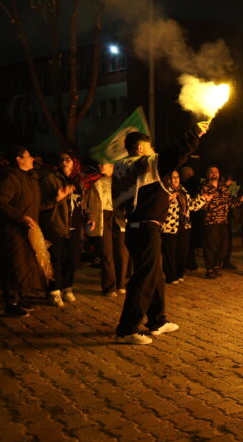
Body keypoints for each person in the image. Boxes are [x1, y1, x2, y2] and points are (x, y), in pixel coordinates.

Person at [111, 122, 208, 344]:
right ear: (139, 148)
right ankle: (127, 328)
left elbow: (146, 192)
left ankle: (157, 321)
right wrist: (194, 134)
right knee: (144, 278)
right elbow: (172, 156)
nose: (153, 151)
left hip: (139, 228)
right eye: (149, 147)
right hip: (145, 229)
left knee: (155, 275)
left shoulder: (122, 167)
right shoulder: (139, 164)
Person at [0, 146, 44, 317]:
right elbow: (0, 203)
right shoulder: (10, 178)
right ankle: (11, 302)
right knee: (15, 265)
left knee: (25, 265)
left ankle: (21, 297)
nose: (32, 159)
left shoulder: (30, 178)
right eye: (29, 156)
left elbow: (35, 205)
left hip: (28, 230)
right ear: (19, 160)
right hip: (14, 230)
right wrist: (21, 217)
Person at [39, 151, 83, 307]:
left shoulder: (78, 180)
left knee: (72, 259)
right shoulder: (50, 178)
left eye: (67, 159)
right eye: (61, 159)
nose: (63, 162)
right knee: (55, 259)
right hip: (56, 224)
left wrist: (88, 216)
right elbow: (40, 204)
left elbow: (80, 202)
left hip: (74, 226)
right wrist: (56, 198)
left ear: (74, 162)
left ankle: (67, 287)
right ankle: (54, 291)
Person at [84, 162, 129, 297]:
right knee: (106, 253)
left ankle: (121, 283)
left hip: (119, 217)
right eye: (99, 164)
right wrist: (91, 217)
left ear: (111, 165)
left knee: (122, 252)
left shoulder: (122, 181)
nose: (99, 166)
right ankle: (109, 287)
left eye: (103, 163)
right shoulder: (96, 183)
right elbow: (91, 202)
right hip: (102, 216)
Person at [161, 170, 211, 284]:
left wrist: (203, 199)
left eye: (177, 177)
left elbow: (191, 206)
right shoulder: (164, 191)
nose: (175, 179)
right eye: (173, 177)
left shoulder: (183, 191)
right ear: (168, 179)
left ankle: (179, 274)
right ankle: (171, 276)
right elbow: (160, 207)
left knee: (182, 252)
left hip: (184, 225)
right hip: (170, 227)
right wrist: (168, 200)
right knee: (169, 253)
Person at [199, 166, 239, 279]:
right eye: (211, 172)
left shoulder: (223, 188)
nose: (214, 173)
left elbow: (231, 202)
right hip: (211, 221)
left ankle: (216, 265)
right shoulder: (204, 188)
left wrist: (241, 199)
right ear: (207, 175)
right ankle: (209, 269)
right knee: (210, 246)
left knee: (223, 247)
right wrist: (206, 200)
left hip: (223, 222)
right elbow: (201, 206)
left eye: (216, 171)